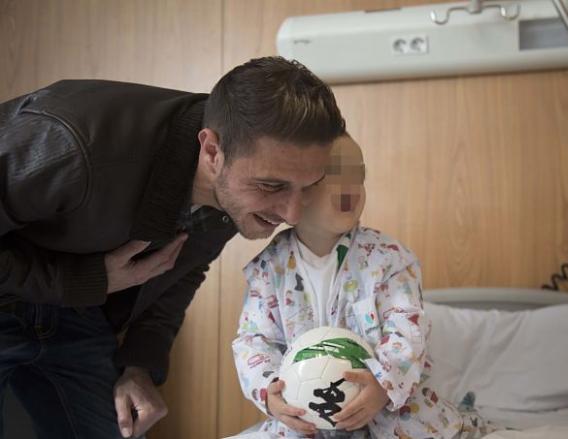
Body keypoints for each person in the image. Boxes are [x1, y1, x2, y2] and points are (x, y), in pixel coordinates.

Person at [0, 56, 346, 439]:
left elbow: (177, 271)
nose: (293, 214)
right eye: (271, 186)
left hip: (78, 317)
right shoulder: (74, 144)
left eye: (309, 185)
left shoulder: (234, 187)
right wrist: (81, 280)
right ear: (212, 151)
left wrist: (140, 364)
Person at [233, 136, 497, 438]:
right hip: (307, 411)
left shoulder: (388, 259)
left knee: (424, 429)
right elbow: (254, 341)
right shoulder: (268, 269)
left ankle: (464, 419)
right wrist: (270, 392)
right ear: (292, 188)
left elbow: (406, 330)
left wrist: (383, 385)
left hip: (384, 406)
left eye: (358, 175)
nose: (349, 186)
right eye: (332, 174)